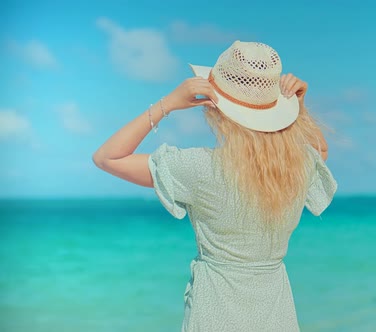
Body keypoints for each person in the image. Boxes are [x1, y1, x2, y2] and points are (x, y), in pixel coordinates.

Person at [92, 40, 337, 331]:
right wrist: (300, 108)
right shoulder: (296, 169)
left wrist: (167, 104)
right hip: (277, 316)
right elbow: (319, 152)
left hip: (215, 314)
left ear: (216, 108)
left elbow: (107, 157)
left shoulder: (201, 168)